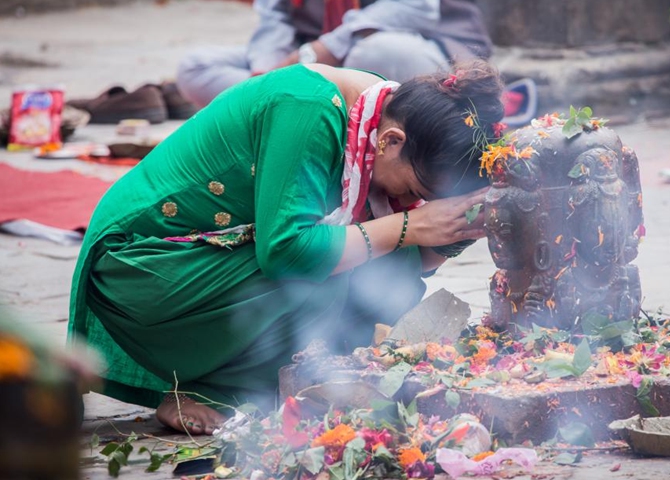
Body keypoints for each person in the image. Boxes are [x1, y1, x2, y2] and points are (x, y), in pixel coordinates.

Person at [68, 59, 504, 435]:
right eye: (414, 189)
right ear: (391, 142)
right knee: (322, 271)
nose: (413, 204)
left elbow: (411, 263)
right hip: (142, 268)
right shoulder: (309, 109)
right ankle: (216, 390)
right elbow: (287, 252)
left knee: (388, 268)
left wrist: (459, 228)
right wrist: (410, 223)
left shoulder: (382, 115)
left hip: (211, 264)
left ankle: (283, 379)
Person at [176, 0, 493, 107]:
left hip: (421, 47)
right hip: (308, 58)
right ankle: (281, 102)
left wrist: (323, 50)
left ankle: (291, 104)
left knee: (370, 54)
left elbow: (415, 7)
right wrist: (265, 72)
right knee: (196, 67)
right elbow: (273, 18)